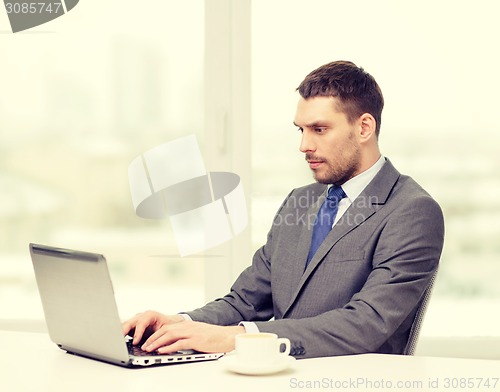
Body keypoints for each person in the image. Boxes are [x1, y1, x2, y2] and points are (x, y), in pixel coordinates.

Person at [122, 60, 445, 359]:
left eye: (319, 129)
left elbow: (365, 324)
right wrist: (177, 323)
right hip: (279, 376)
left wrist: (236, 339)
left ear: (363, 128)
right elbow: (247, 300)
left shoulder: (412, 211)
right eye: (300, 130)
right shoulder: (299, 200)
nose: (304, 146)